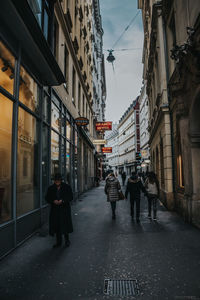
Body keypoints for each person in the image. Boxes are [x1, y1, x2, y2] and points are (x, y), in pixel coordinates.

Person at [45, 173, 73, 248]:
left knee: (65, 225)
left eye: (58, 180)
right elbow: (47, 198)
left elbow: (70, 197)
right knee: (57, 226)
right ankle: (59, 242)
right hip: (55, 210)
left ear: (61, 180)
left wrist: (63, 201)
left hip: (64, 210)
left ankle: (67, 241)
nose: (57, 182)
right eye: (55, 180)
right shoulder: (51, 188)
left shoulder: (67, 187)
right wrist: (53, 201)